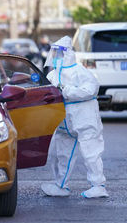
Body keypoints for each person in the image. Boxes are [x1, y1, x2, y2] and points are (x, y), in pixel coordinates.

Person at [41, 36, 109, 198]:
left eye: (59, 53)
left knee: (91, 154)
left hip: (85, 121)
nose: (56, 57)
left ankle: (98, 186)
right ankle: (61, 185)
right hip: (64, 124)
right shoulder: (52, 75)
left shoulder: (80, 72)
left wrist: (65, 89)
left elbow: (91, 90)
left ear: (68, 53)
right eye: (54, 53)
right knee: (61, 155)